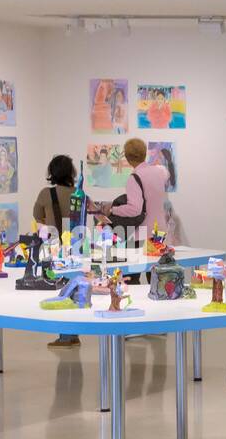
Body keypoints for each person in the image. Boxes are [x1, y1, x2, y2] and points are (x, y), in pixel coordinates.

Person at [34, 154, 90, 349]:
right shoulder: (79, 193)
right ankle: (72, 333)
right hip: (78, 248)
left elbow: (37, 216)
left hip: (55, 248)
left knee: (61, 290)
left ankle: (66, 336)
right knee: (75, 289)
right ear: (71, 173)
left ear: (52, 172)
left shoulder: (45, 194)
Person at [102, 137, 169, 239]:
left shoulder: (134, 178)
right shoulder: (160, 171)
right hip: (160, 229)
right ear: (144, 153)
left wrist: (112, 210)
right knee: (157, 255)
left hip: (144, 233)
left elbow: (135, 210)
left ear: (127, 157)